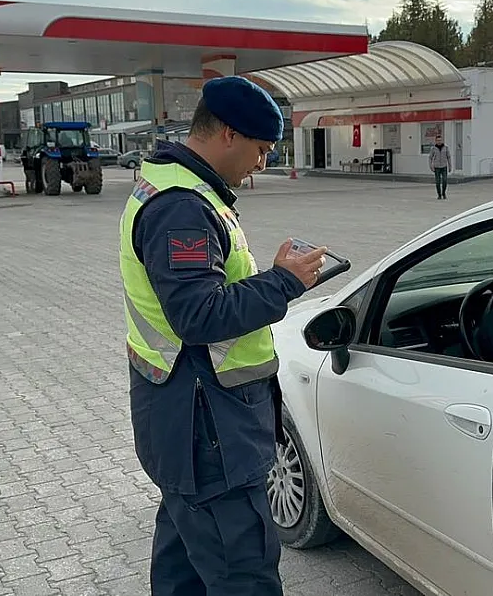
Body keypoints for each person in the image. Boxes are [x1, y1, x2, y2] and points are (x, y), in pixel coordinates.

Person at [119, 75, 327, 596]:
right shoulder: (182, 208)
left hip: (183, 424)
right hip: (208, 432)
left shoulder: (175, 187)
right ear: (229, 135)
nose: (262, 164)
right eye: (261, 149)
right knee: (244, 576)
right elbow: (199, 315)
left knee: (182, 567)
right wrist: (284, 282)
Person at [428, 135, 452, 199]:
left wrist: (450, 166)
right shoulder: (433, 148)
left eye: (440, 140)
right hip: (437, 167)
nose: (439, 141)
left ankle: (443, 193)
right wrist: (431, 166)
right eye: (438, 140)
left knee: (444, 181)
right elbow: (430, 157)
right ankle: (439, 194)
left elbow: (449, 157)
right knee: (438, 182)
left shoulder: (446, 147)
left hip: (444, 166)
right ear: (435, 141)